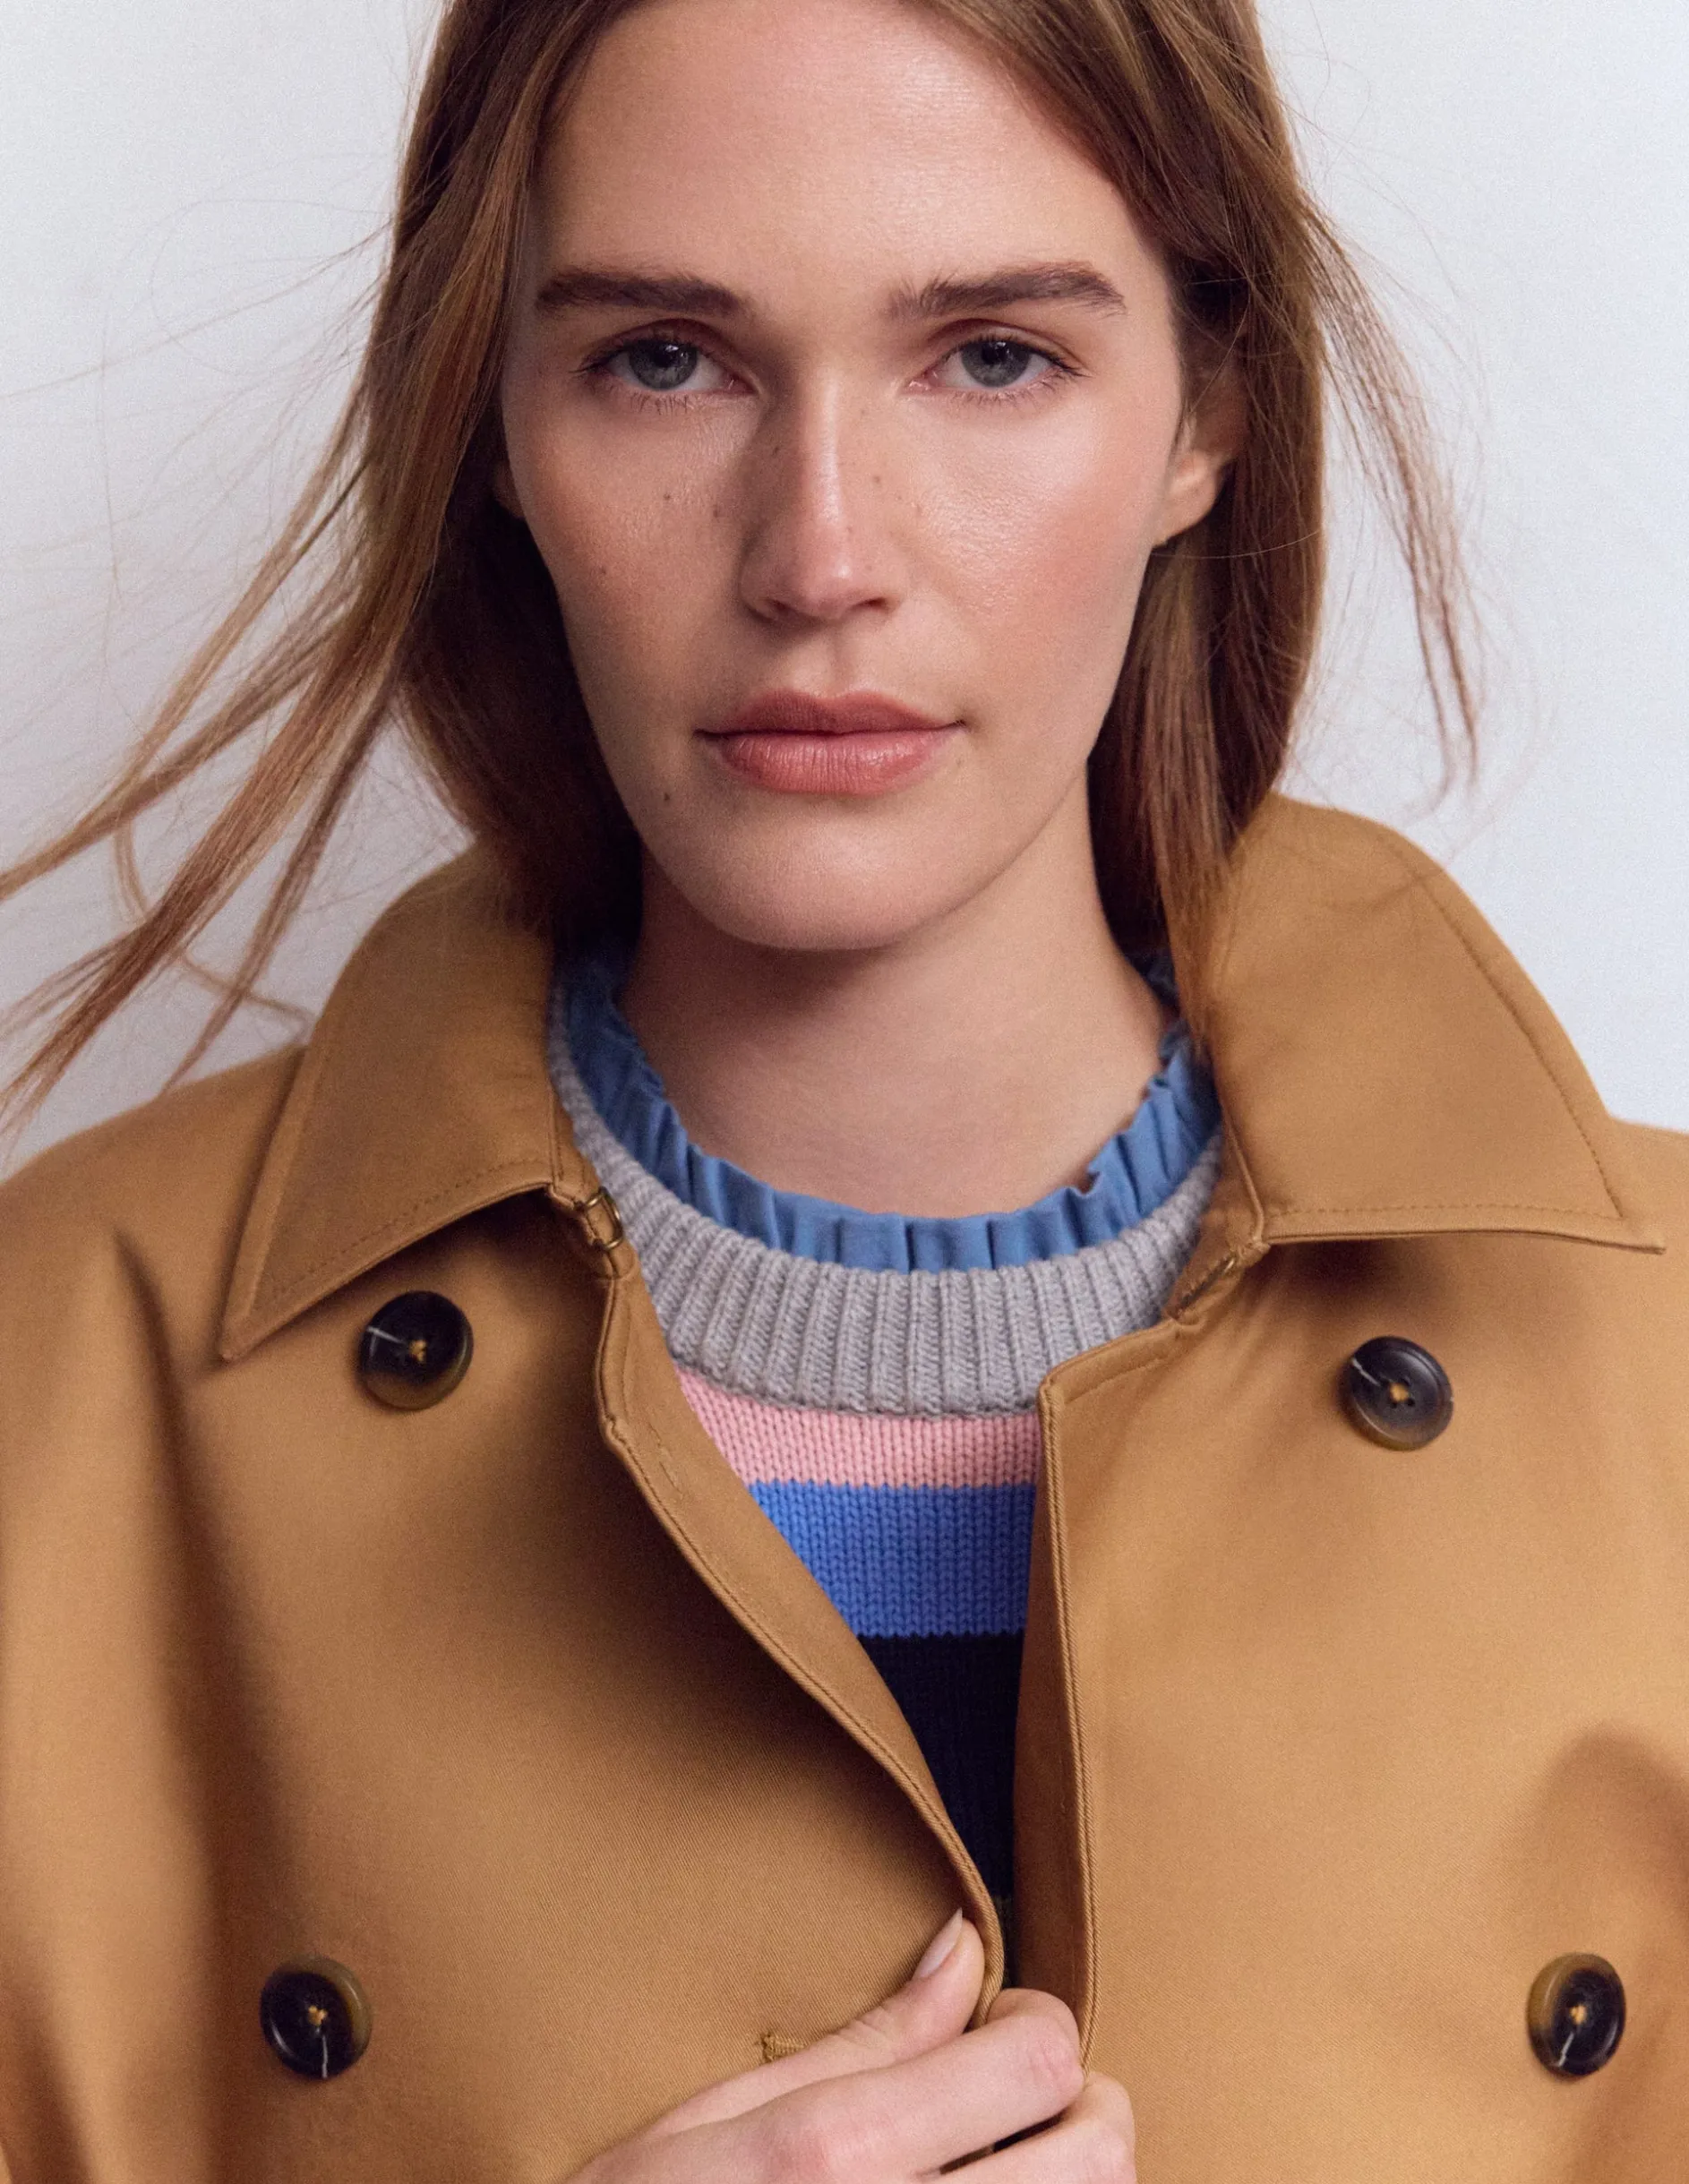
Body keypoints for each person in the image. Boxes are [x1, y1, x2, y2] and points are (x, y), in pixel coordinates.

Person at [0, 0, 1684, 2177]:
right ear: (489, 413)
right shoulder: (61, 1372)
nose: (818, 556)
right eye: (662, 359)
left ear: (1207, 414)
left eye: (990, 356)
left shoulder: (1656, 1374)